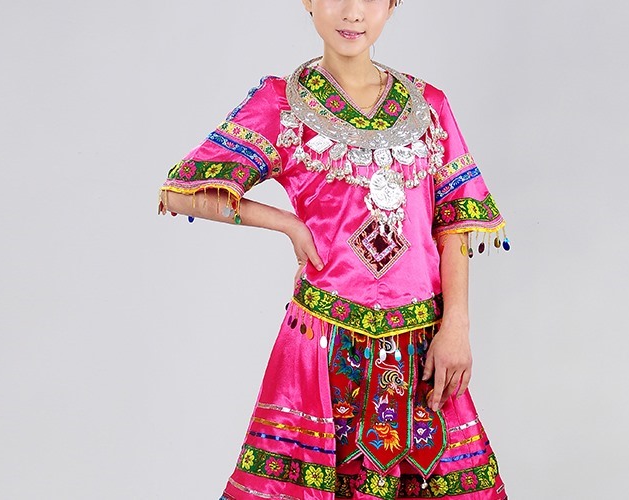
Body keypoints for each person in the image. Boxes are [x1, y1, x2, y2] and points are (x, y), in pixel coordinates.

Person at [158, 0, 510, 498]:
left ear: (392, 4)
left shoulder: (429, 106)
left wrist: (457, 325)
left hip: (422, 344)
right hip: (323, 346)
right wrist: (287, 223)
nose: (352, 12)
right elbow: (180, 190)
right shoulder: (282, 103)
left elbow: (453, 222)